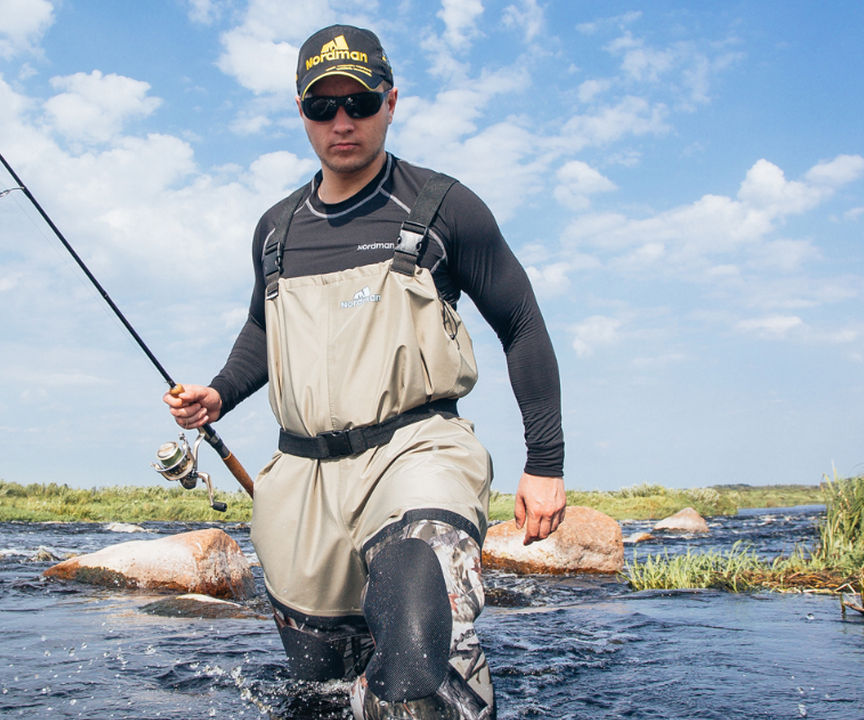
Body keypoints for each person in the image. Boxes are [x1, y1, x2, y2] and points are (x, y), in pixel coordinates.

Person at [165, 24, 565, 720]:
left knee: (414, 637)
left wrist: (546, 461)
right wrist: (221, 392)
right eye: (323, 107)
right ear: (301, 112)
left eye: (360, 102)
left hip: (417, 451)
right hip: (302, 484)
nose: (341, 122)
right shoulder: (276, 230)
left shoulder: (445, 207)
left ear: (391, 102)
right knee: (322, 688)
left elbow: (522, 323)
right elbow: (265, 327)